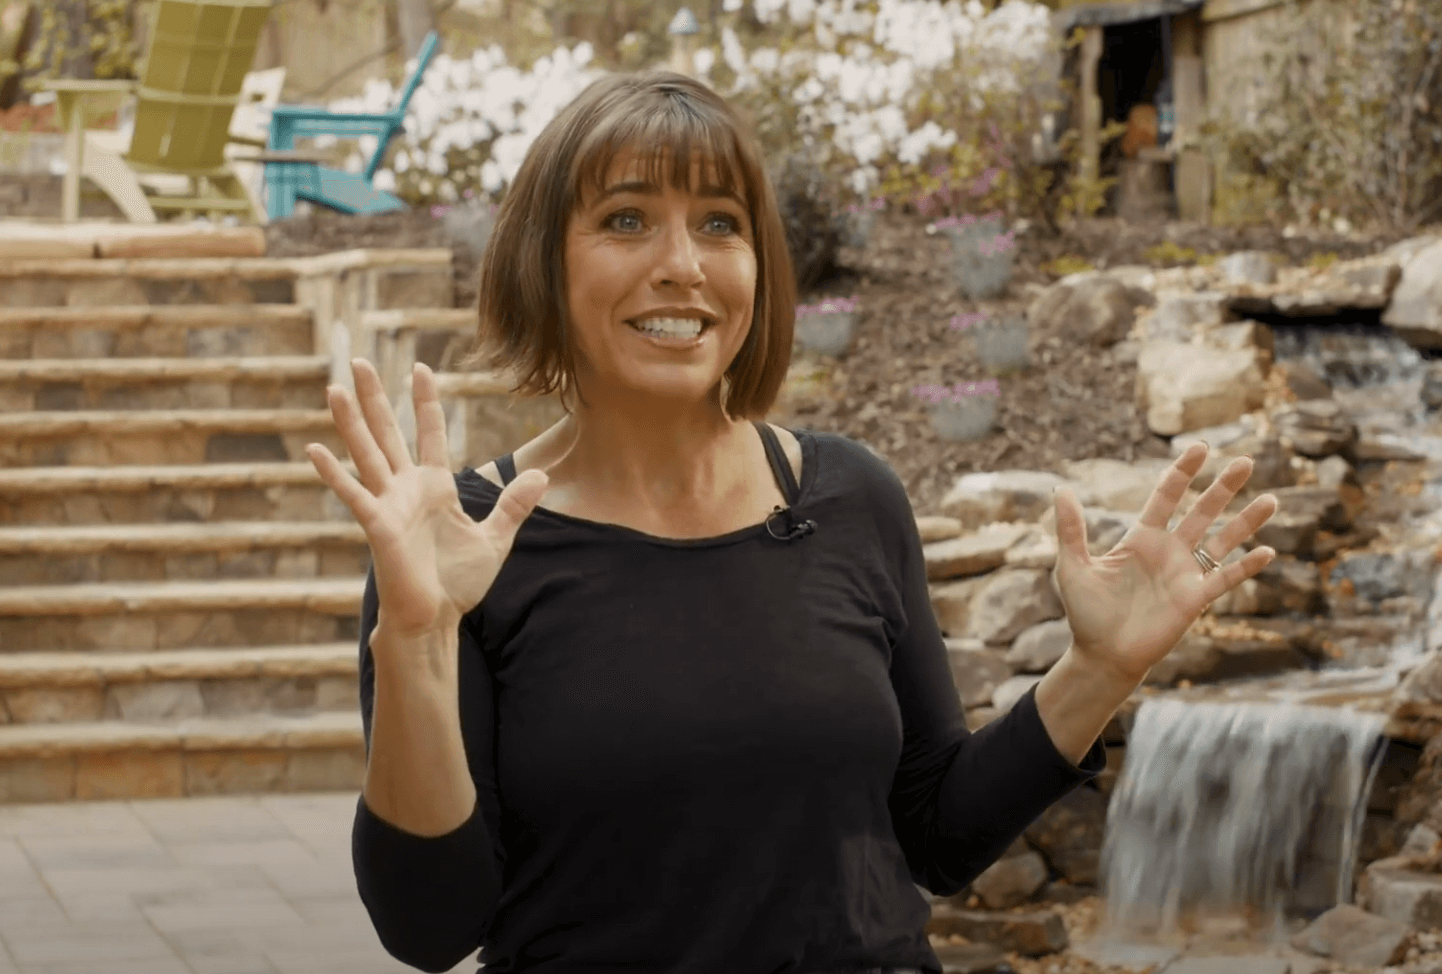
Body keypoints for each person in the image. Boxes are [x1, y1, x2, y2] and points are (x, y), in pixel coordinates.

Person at [306, 69, 1279, 974]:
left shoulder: (851, 494)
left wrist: (1097, 669)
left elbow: (933, 834)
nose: (680, 265)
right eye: (626, 218)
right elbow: (430, 927)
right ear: (541, 262)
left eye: (718, 223)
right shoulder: (459, 550)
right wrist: (420, 638)